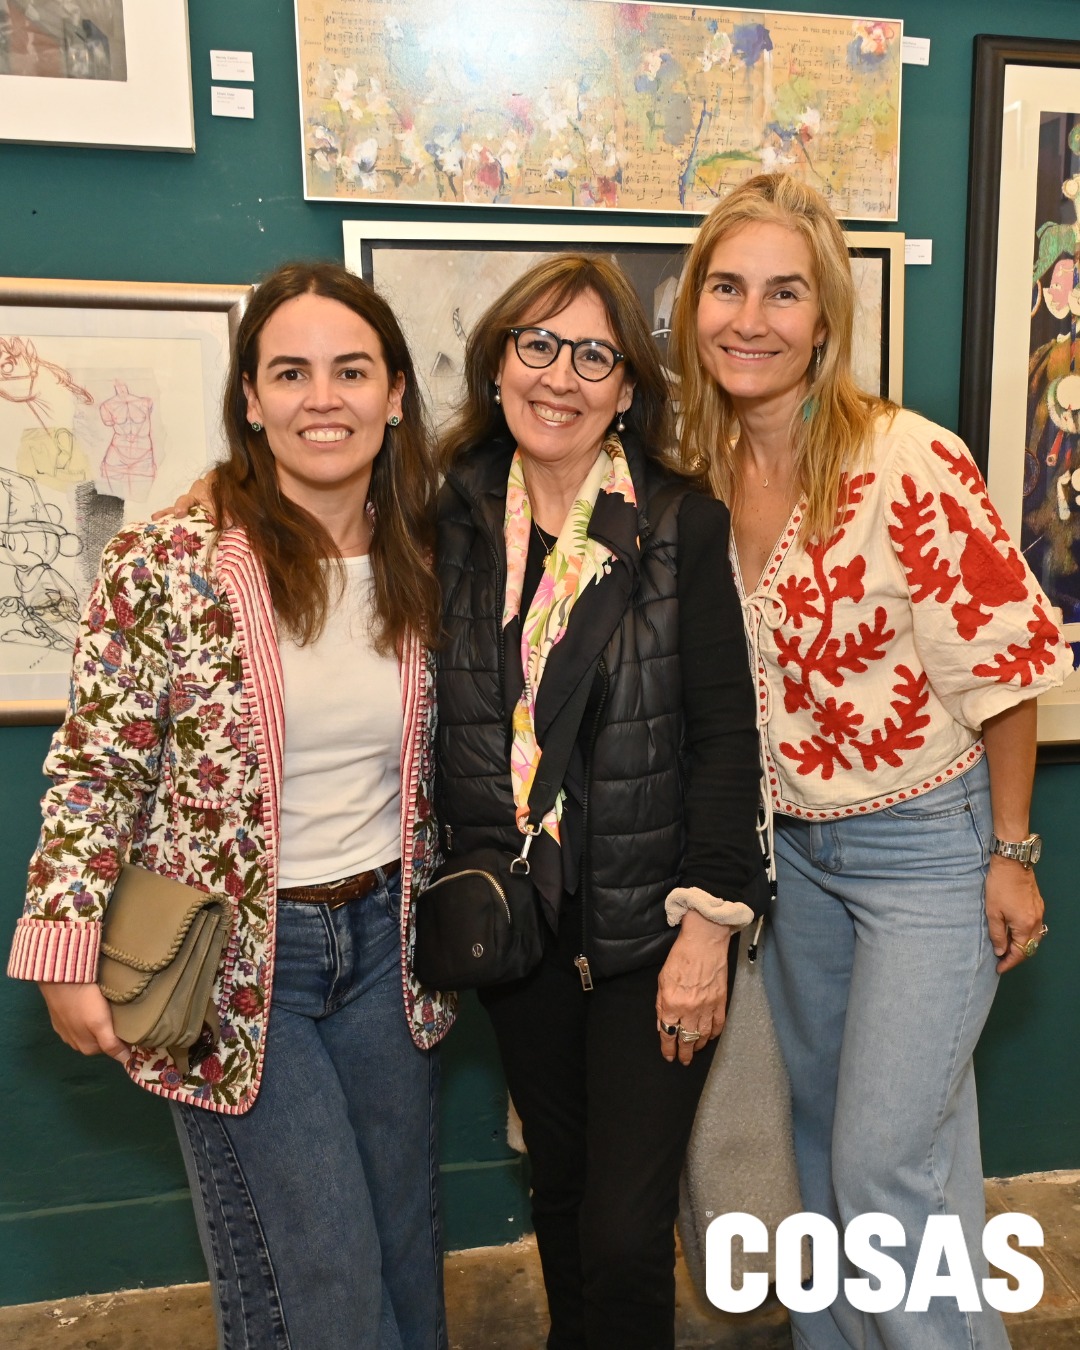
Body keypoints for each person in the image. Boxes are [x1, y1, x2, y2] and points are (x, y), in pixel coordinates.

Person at [7, 262, 455, 1350]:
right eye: (289, 373)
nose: (323, 399)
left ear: (395, 392)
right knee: (323, 1288)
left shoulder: (434, 556)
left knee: (407, 1258)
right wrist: (65, 946)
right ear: (249, 398)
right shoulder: (170, 559)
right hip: (239, 963)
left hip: (394, 948)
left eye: (351, 371)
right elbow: (98, 763)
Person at [671, 173, 1071, 1350]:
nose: (752, 318)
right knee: (819, 1156)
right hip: (790, 868)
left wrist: (1010, 852)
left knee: (884, 1169)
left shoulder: (908, 459)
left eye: (783, 292)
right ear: (693, 307)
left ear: (826, 316)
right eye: (728, 287)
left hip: (927, 858)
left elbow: (1008, 672)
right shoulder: (700, 465)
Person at [434, 252, 762, 1349]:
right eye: (537, 345)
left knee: (625, 1233)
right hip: (517, 929)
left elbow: (724, 738)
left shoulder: (679, 523)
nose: (559, 376)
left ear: (627, 387)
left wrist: (708, 932)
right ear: (497, 365)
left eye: (592, 355)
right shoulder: (450, 522)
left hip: (651, 938)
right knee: (563, 1202)